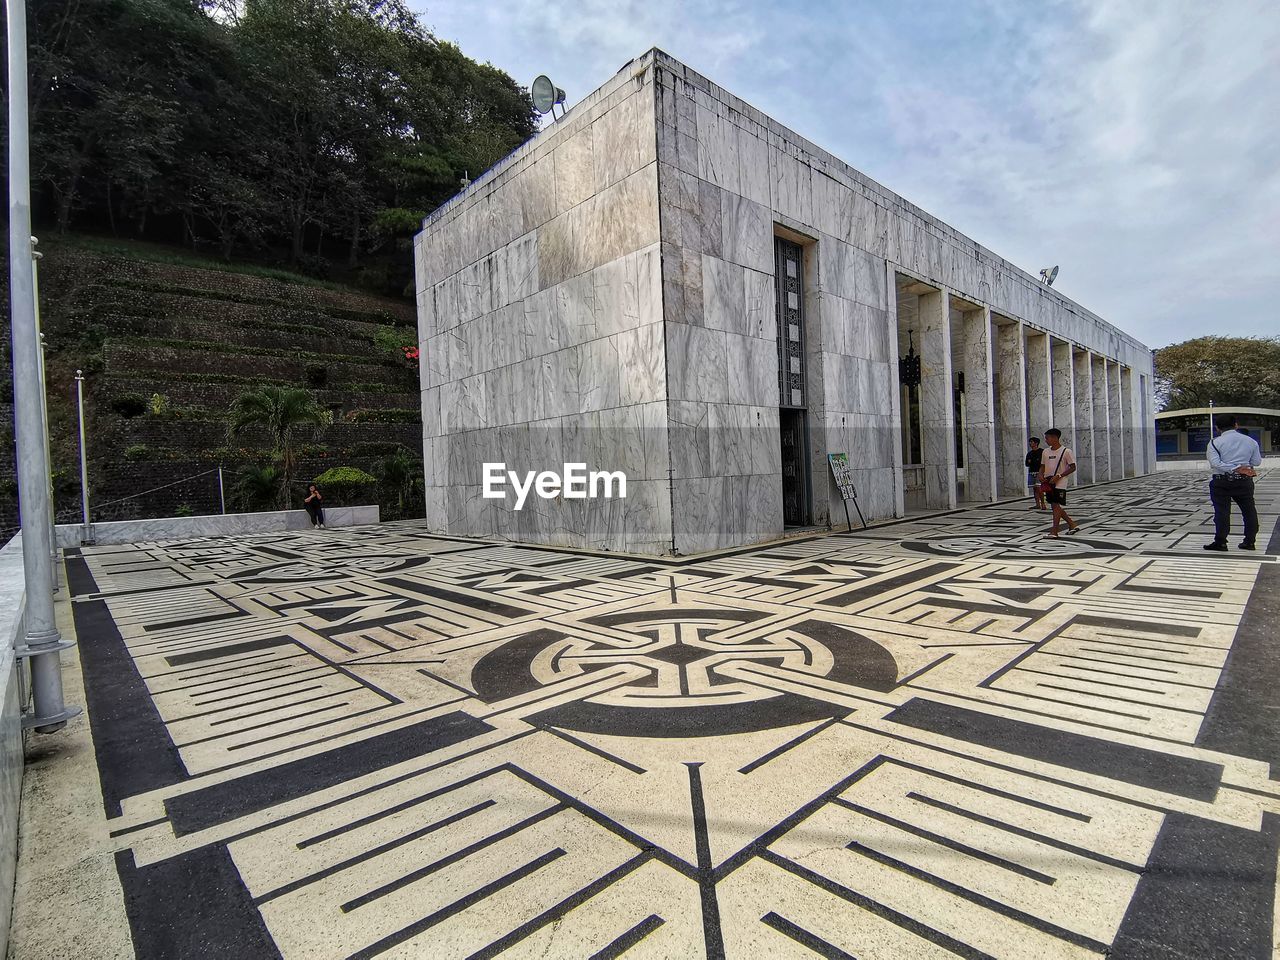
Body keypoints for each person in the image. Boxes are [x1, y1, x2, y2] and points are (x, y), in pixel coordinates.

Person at [1204, 419, 1261, 551]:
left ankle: (1221, 542)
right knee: (1249, 511)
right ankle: (1250, 542)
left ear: (1218, 428)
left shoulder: (1214, 443)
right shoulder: (1250, 441)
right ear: (1236, 425)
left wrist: (1232, 467)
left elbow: (1215, 463)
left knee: (1222, 512)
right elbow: (1256, 461)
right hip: (1244, 481)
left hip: (1221, 481)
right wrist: (1240, 467)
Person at [1039, 428, 1079, 537]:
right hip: (1048, 482)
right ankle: (1072, 524)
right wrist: (1040, 474)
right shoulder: (1045, 452)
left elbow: (1073, 467)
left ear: (1055, 438)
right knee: (1054, 506)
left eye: (1047, 438)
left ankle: (1054, 532)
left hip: (1060, 482)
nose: (1046, 440)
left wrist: (1059, 476)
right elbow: (1042, 466)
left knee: (1055, 505)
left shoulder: (1066, 451)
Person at [1025, 437, 1046, 510]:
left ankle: (1043, 503)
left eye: (1032, 442)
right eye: (1030, 442)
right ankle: (1037, 504)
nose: (1030, 443)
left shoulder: (1041, 452)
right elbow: (1027, 463)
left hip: (1039, 472)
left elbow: (1044, 462)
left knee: (1039, 488)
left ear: (1036, 443)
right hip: (1031, 472)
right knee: (1034, 489)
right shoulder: (1029, 453)